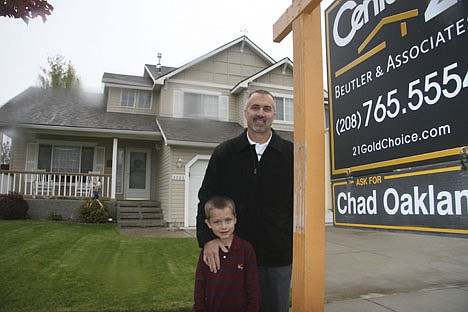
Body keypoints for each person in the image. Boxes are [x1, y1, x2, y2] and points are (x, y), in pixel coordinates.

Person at [196, 89, 293, 312]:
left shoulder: (290, 155)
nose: (260, 113)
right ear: (245, 112)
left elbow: (300, 205)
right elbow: (206, 198)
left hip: (276, 257)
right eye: (255, 108)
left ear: (274, 115)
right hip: (231, 254)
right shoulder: (225, 153)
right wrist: (207, 240)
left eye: (266, 108)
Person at [193, 196, 260, 312]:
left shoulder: (246, 250)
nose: (223, 226)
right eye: (217, 222)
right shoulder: (208, 252)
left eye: (228, 220)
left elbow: (253, 288)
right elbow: (199, 287)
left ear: (235, 219)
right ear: (208, 223)